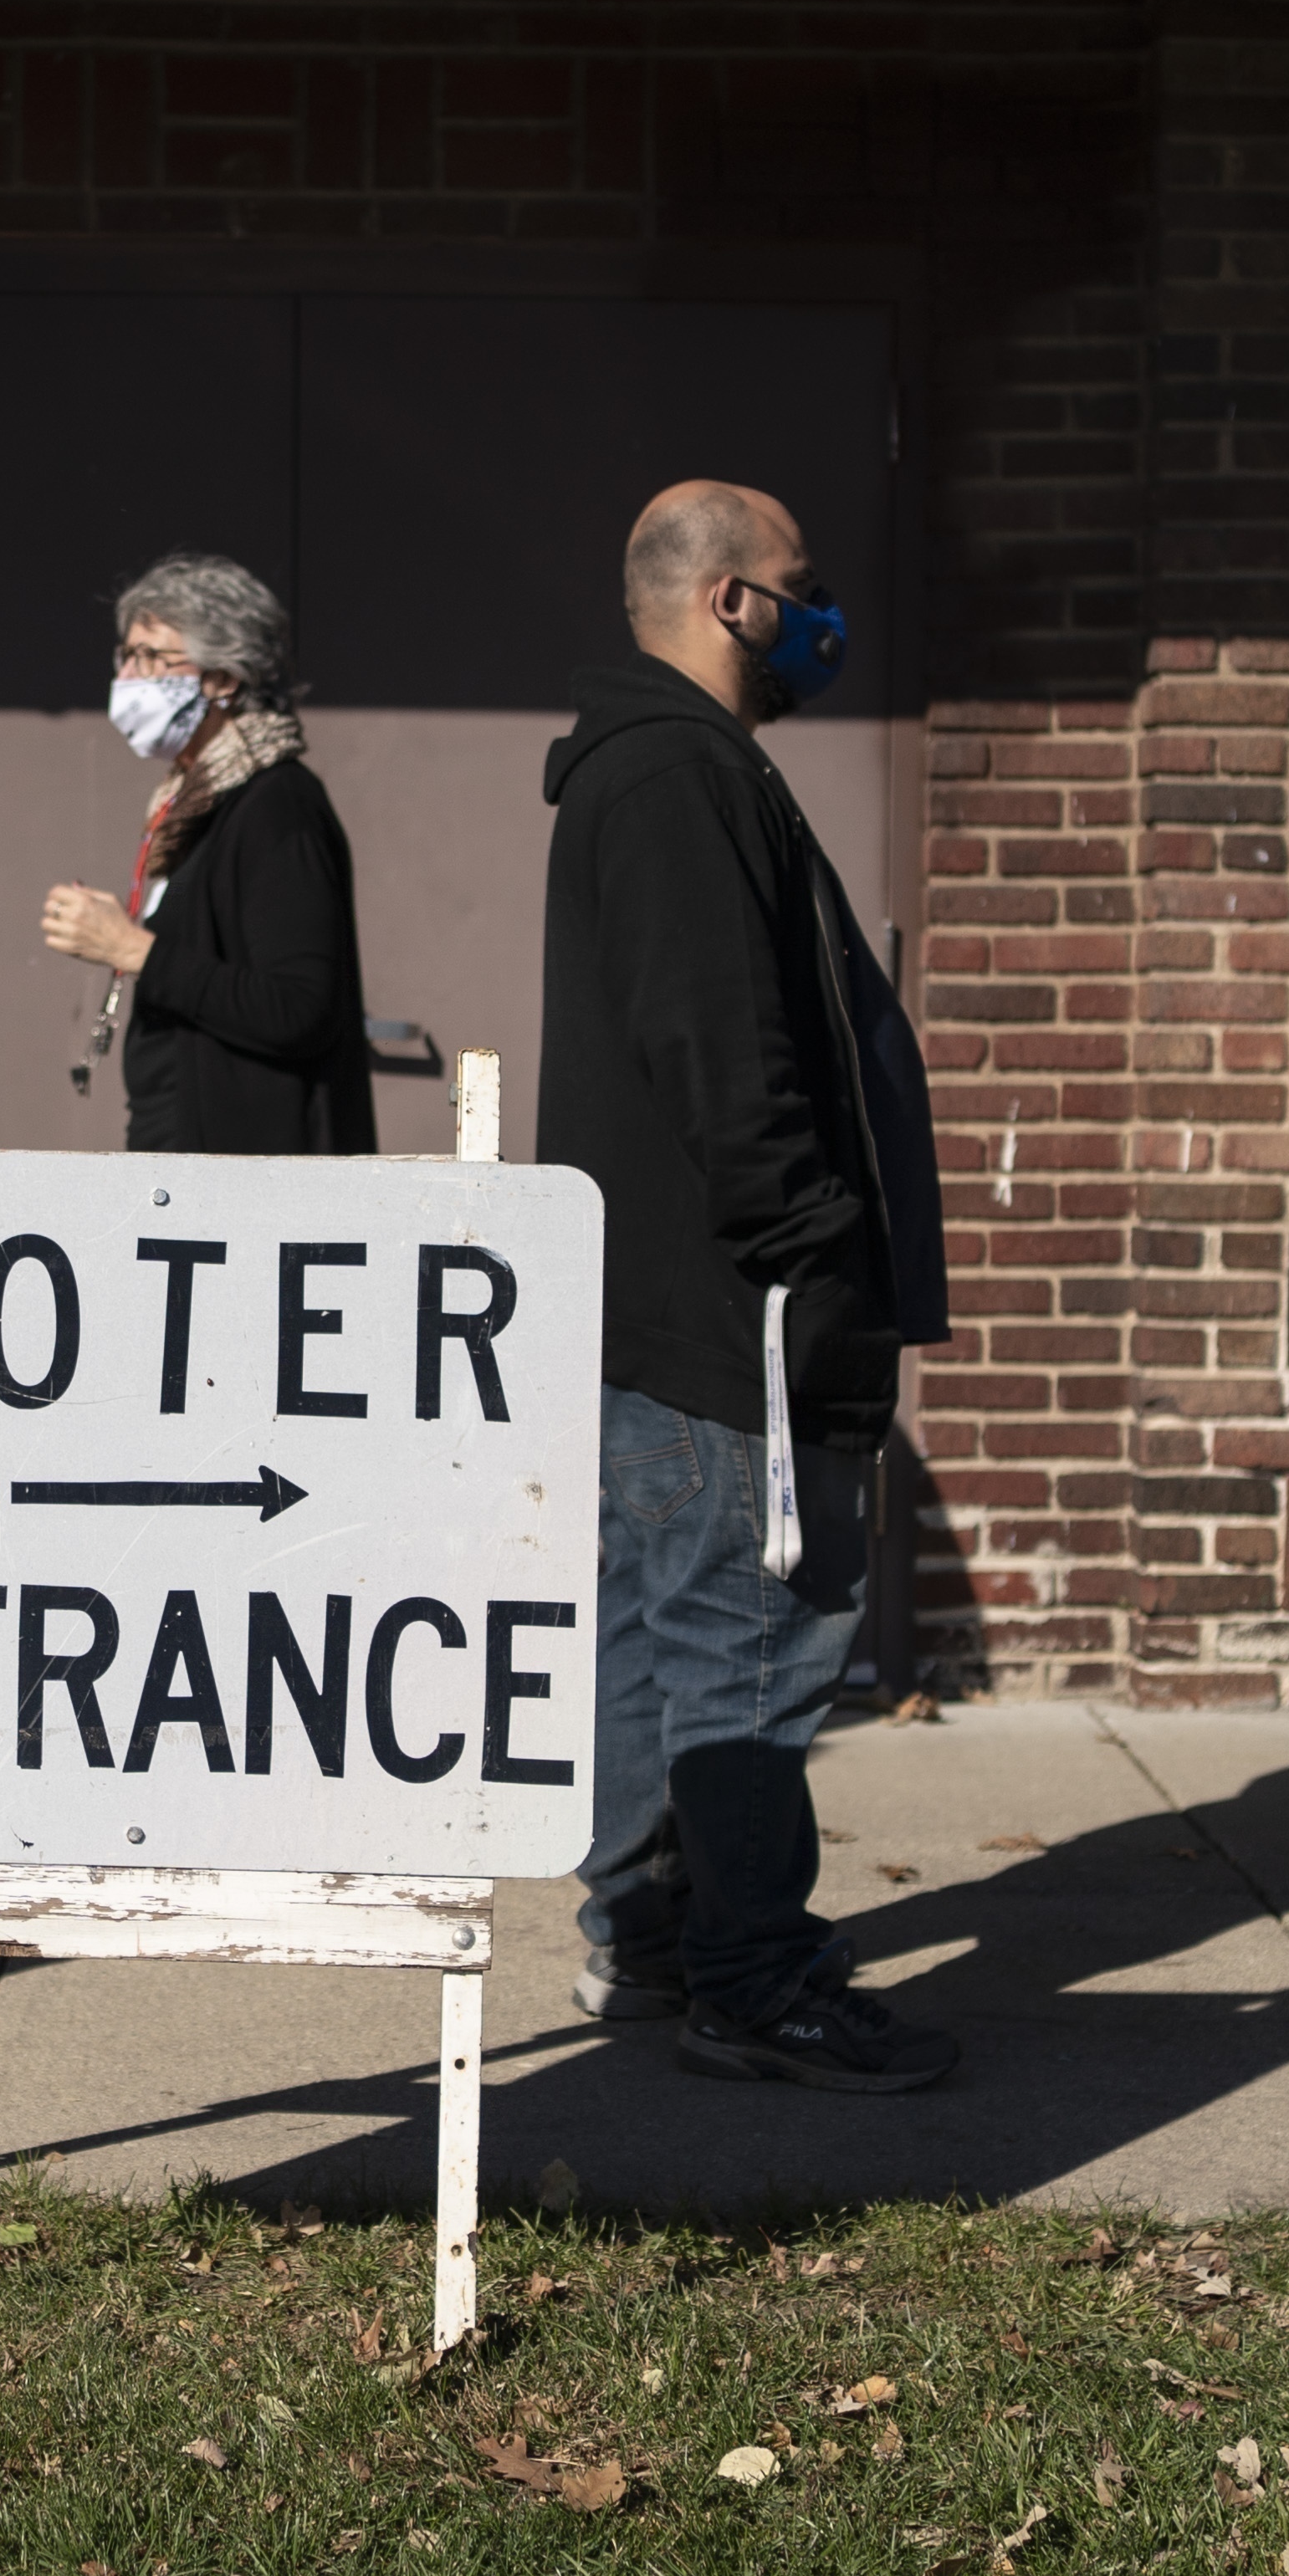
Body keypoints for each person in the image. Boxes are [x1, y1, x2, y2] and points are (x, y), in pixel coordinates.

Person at [540, 478, 952, 2093]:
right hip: (734, 1319)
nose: (819, 614)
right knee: (744, 1646)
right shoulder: (675, 779)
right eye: (799, 587)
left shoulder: (659, 772)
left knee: (654, 1643)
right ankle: (749, 1975)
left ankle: (654, 1938)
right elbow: (720, 1048)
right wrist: (810, 1242)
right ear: (726, 599)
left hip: (680, 1313)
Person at [34, 554, 377, 1153]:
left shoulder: (277, 806)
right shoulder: (194, 804)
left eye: (152, 657)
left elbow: (300, 1008)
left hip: (252, 1178)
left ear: (223, 677)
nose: (130, 676)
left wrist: (131, 948)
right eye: (126, 655)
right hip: (186, 1158)